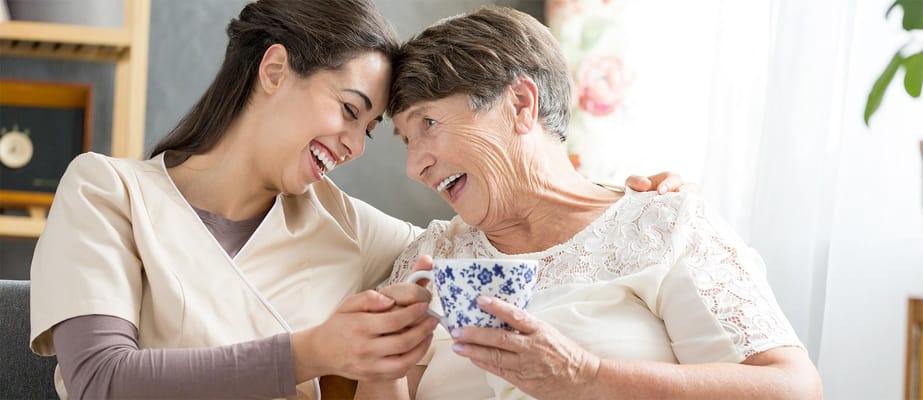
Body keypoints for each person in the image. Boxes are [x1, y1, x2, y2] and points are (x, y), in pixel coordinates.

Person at [28, 1, 678, 399]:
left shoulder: (358, 232)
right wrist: (311, 353)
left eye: (368, 131)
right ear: (275, 69)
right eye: (348, 109)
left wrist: (619, 203)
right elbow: (101, 381)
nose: (353, 145)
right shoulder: (107, 190)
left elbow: (499, 236)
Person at [358, 6, 823, 400]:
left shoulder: (662, 222)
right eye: (405, 140)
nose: (414, 166)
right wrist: (382, 364)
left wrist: (587, 377)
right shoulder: (431, 257)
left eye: (429, 124)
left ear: (521, 104)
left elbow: (791, 388)